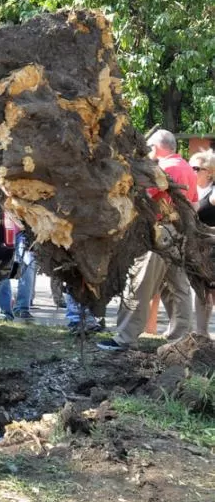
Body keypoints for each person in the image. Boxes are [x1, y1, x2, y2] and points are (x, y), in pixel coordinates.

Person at [98, 129, 197, 351]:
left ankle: (125, 338)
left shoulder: (163, 169)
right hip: (180, 231)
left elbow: (144, 198)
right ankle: (180, 338)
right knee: (177, 287)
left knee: (140, 284)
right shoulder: (188, 168)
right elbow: (195, 205)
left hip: (159, 231)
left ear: (156, 147)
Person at [189, 149, 215, 338]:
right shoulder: (189, 189)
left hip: (212, 247)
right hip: (196, 248)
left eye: (196, 168)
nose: (192, 171)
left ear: (210, 171)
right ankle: (201, 333)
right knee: (200, 290)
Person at [0, 214, 36, 321]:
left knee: (28, 266)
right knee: (3, 270)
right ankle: (5, 311)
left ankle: (22, 308)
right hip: (1, 232)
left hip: (23, 232)